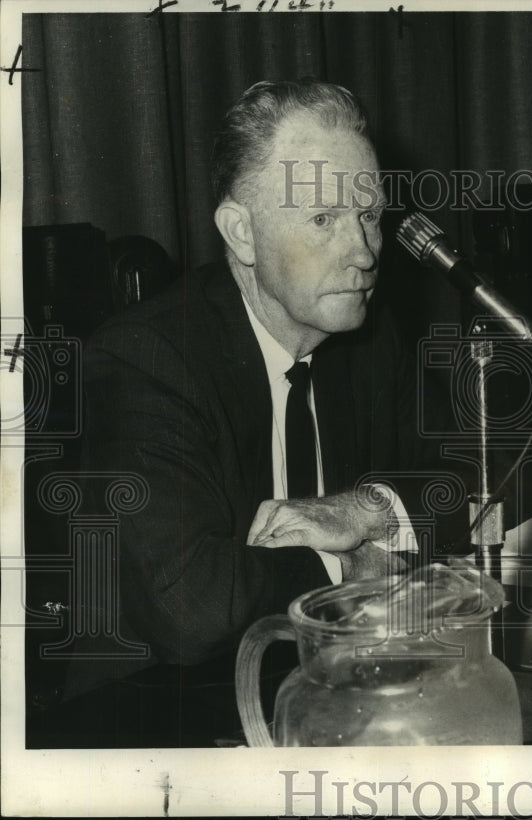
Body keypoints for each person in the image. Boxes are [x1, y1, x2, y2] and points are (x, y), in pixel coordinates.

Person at [78, 80, 466, 688]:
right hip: (165, 715)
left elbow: (486, 477)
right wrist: (358, 562)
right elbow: (191, 608)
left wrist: (367, 508)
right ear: (241, 232)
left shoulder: (369, 337)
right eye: (323, 218)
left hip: (337, 686)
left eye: (369, 215)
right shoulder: (143, 360)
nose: (364, 251)